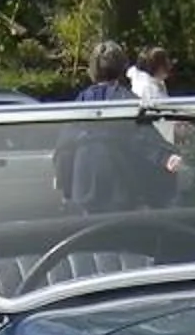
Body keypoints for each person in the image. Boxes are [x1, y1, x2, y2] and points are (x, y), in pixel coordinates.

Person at [53, 40, 177, 212]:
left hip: (84, 188)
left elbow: (65, 145)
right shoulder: (125, 100)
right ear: (121, 67)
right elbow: (142, 136)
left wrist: (64, 183)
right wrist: (165, 156)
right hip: (119, 188)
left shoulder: (81, 100)